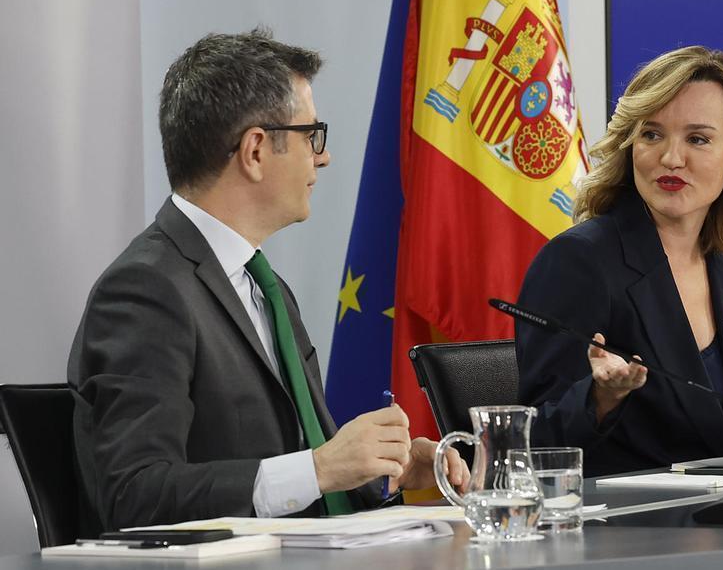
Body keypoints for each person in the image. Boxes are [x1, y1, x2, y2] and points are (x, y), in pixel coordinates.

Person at [68, 29, 466, 531]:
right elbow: (134, 495)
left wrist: (389, 471)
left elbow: (298, 466)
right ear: (255, 151)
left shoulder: (267, 286)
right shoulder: (145, 291)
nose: (323, 158)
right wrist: (321, 468)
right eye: (311, 135)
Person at [516, 46, 723, 477]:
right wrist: (600, 398)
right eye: (651, 134)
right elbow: (532, 444)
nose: (670, 158)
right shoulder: (578, 262)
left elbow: (699, 419)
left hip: (719, 518)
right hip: (624, 528)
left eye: (697, 139)